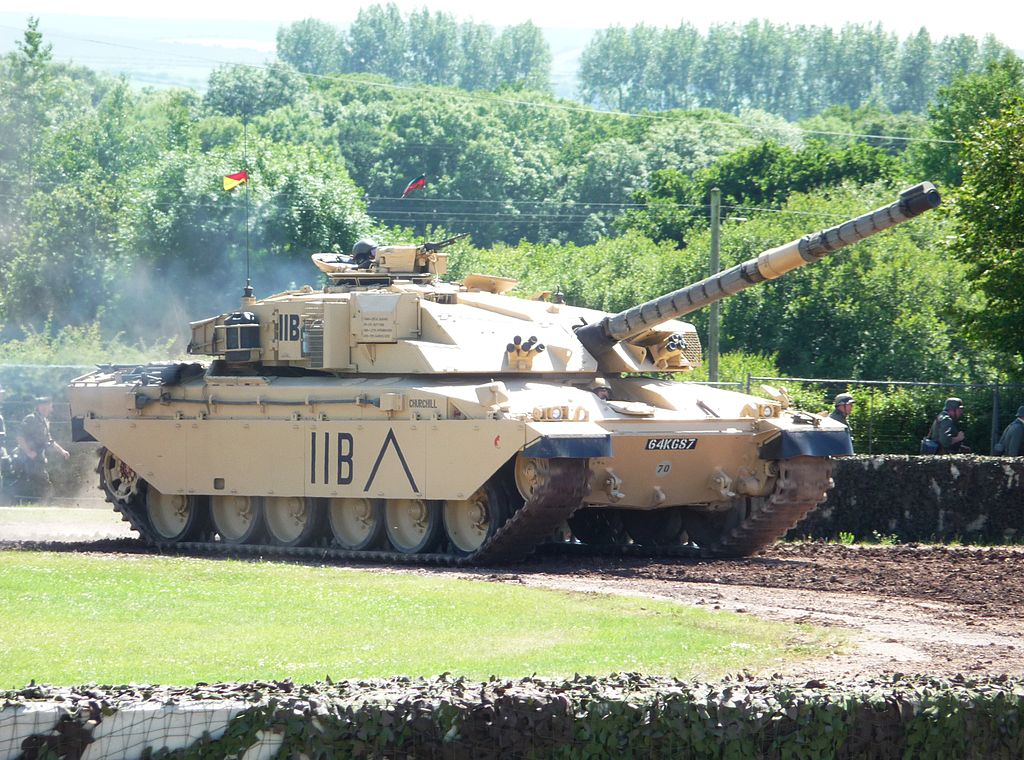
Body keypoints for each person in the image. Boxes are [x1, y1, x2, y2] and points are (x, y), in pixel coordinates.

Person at [16, 396, 70, 501]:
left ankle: (42, 502)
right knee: (39, 482)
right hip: (27, 458)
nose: (51, 409)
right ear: (42, 407)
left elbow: (49, 440)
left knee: (40, 482)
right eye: (50, 406)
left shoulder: (44, 421)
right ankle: (43, 502)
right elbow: (19, 437)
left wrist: (62, 451)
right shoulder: (31, 419)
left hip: (38, 458)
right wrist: (28, 452)